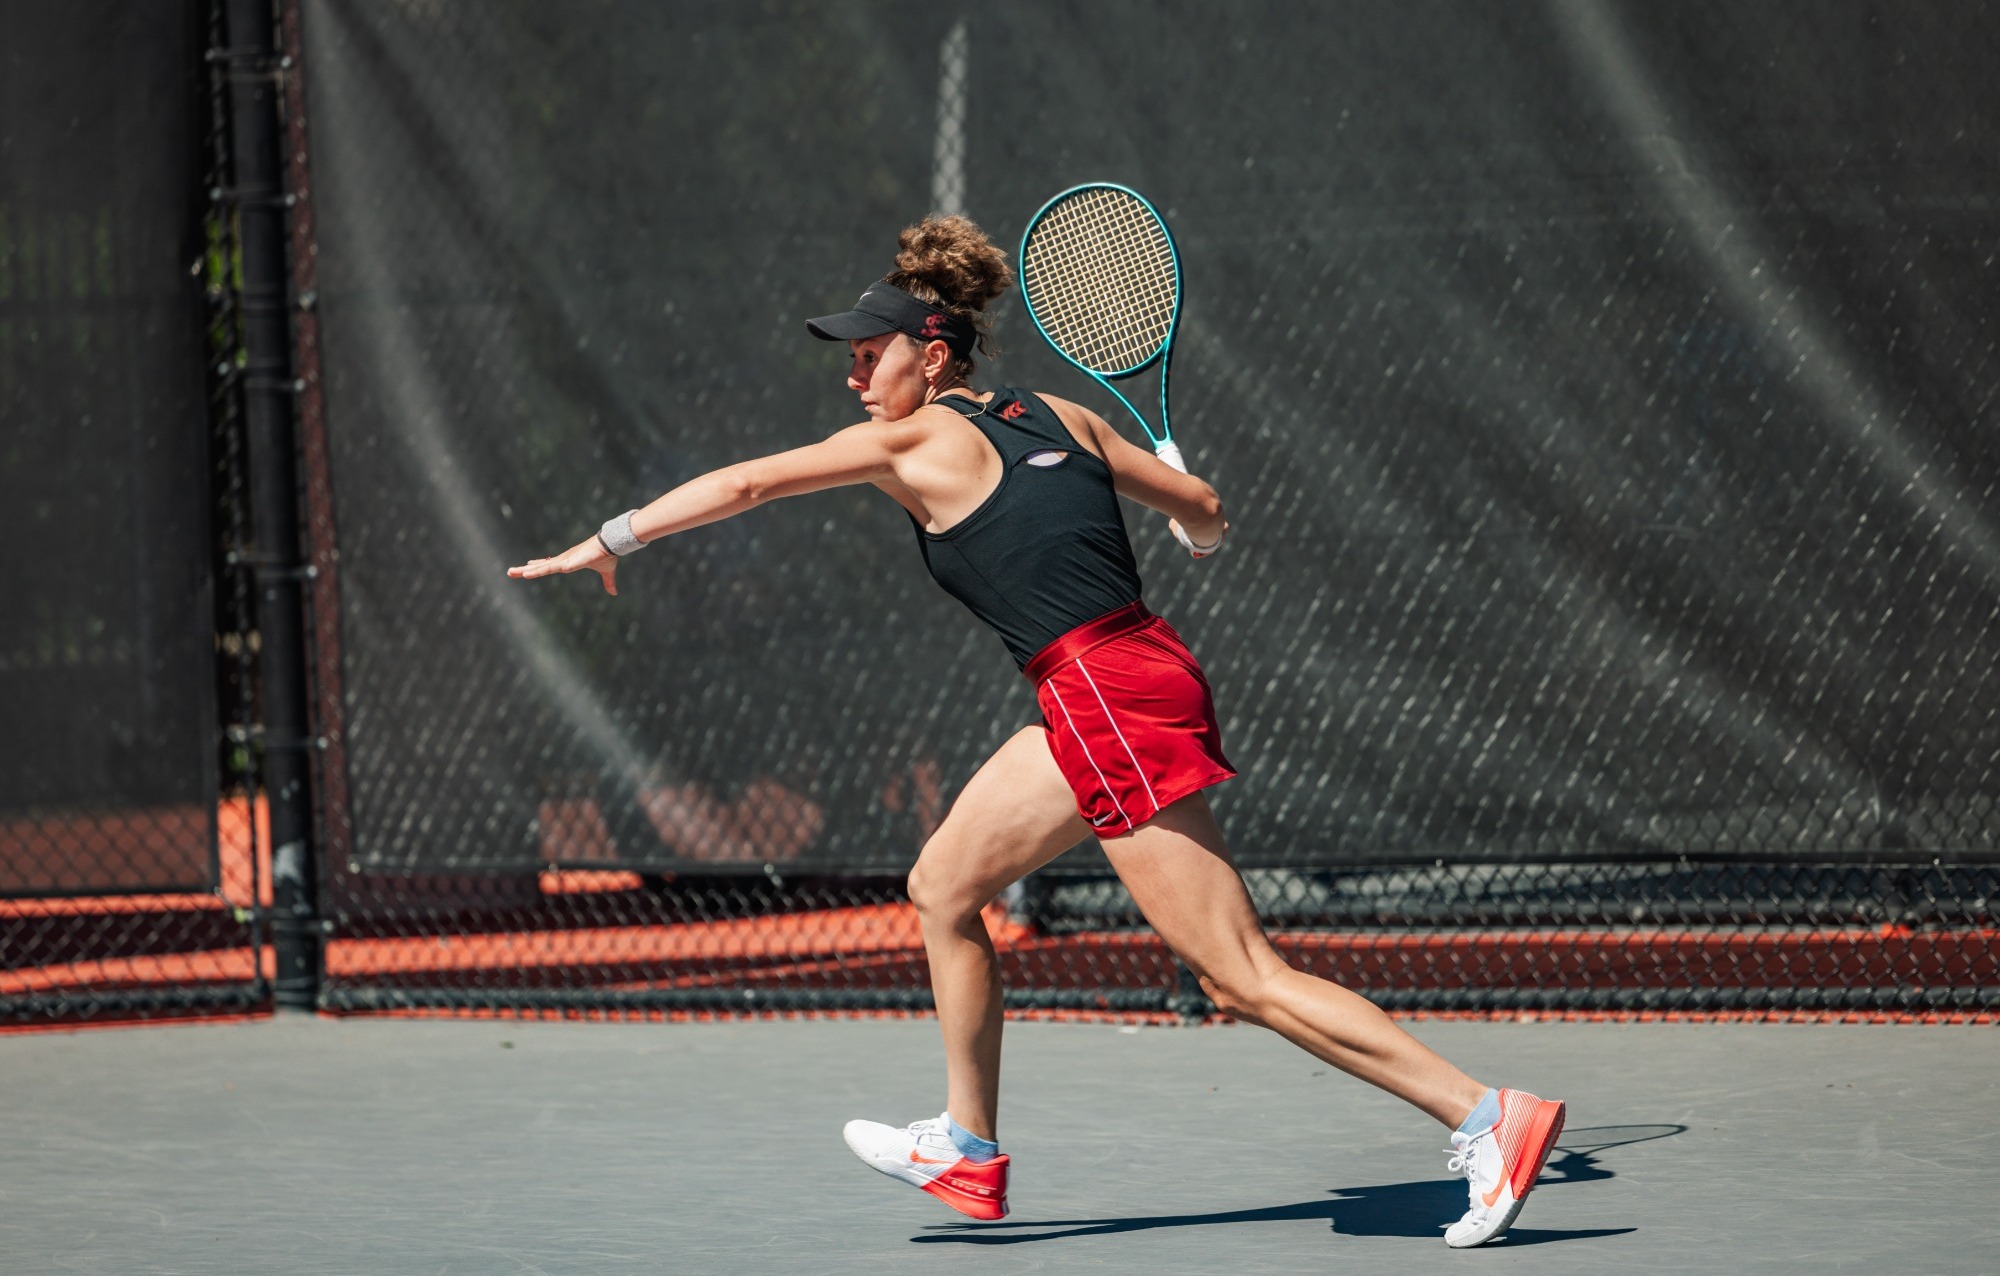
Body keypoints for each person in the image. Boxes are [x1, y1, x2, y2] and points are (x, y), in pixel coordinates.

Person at [508, 215, 1565, 1249]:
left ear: (930, 357)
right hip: (1128, 674)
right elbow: (1201, 508)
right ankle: (967, 1148)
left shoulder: (908, 438)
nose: (853, 378)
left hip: (1101, 692)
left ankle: (1482, 1116)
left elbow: (745, 483)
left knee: (1236, 974)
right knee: (941, 888)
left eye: (868, 357)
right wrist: (1195, 521)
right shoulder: (1062, 415)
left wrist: (607, 540)